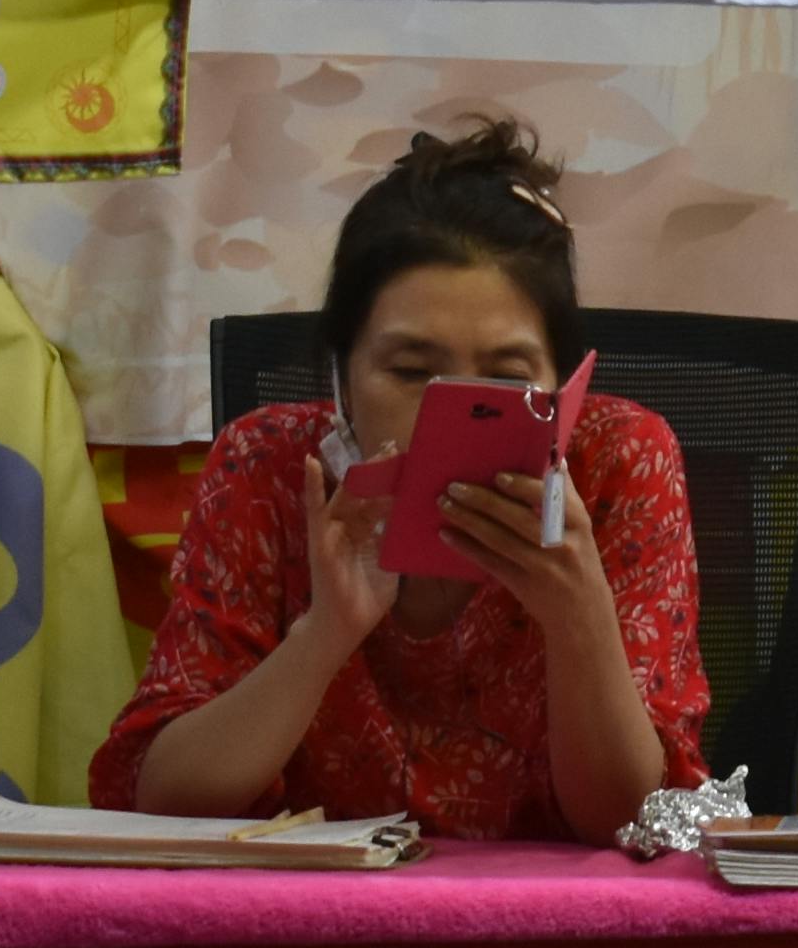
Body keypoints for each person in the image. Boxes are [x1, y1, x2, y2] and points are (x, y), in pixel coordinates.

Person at [102, 117, 708, 841]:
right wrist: (324, 635)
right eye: (411, 370)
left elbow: (633, 823)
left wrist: (578, 618)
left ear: (565, 384)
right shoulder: (266, 466)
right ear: (341, 375)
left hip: (546, 927)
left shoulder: (619, 462)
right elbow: (165, 798)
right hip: (319, 925)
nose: (452, 410)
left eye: (509, 377)